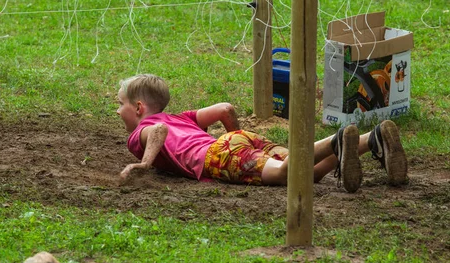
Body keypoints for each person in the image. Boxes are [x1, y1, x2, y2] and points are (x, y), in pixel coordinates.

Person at [117, 74, 408, 193]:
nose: (118, 111)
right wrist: (238, 141)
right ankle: (372, 139)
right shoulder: (181, 117)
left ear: (139, 107)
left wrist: (144, 163)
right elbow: (225, 109)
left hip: (218, 154)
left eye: (121, 105)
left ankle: (336, 140)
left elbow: (158, 130)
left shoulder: (139, 133)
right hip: (235, 141)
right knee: (308, 172)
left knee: (284, 174)